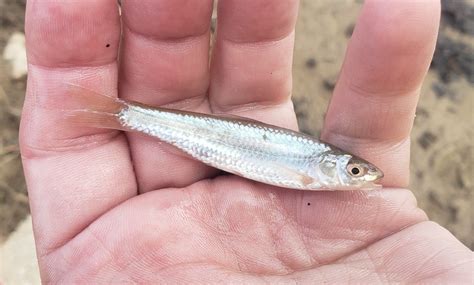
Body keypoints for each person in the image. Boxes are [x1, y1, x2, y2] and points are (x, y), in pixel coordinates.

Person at [21, 0, 472, 283]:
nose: (360, 176)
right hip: (195, 132)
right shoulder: (308, 166)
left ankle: (118, 113)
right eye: (354, 171)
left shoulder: (314, 171)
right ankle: (119, 113)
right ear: (330, 165)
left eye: (356, 172)